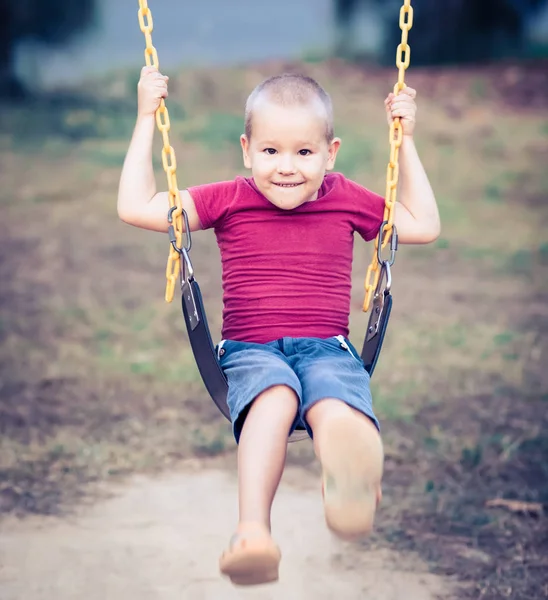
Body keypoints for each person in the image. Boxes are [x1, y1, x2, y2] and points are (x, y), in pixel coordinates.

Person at [117, 66, 440, 587]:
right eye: (270, 151)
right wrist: (144, 119)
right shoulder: (227, 199)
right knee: (276, 397)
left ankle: (349, 474)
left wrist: (407, 143)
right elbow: (136, 207)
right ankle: (253, 534)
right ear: (247, 150)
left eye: (304, 152)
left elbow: (422, 226)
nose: (286, 167)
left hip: (329, 349)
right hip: (251, 352)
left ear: (330, 152)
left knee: (333, 401)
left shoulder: (347, 197)